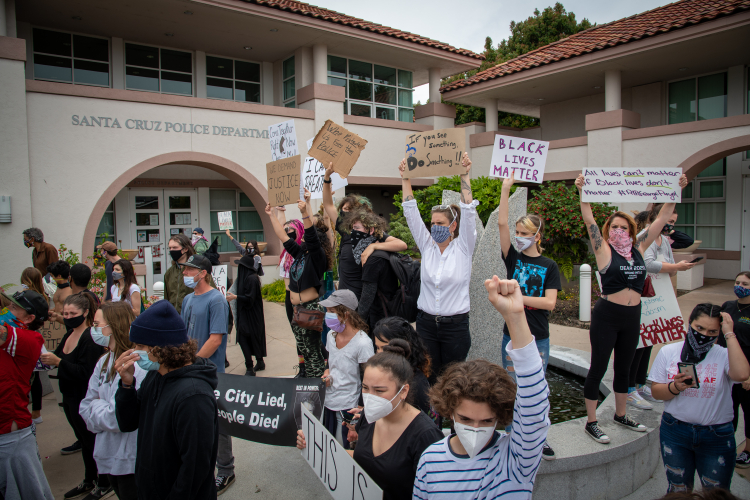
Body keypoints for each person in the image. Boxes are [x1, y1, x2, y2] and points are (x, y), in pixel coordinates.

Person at [575, 172, 688, 444]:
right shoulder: (603, 250)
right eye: (614, 227)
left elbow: (661, 219)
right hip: (607, 316)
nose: (619, 231)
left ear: (631, 230)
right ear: (607, 230)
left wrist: (674, 191)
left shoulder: (639, 247)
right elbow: (589, 219)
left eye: (623, 227)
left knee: (624, 368)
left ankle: (620, 414)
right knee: (599, 367)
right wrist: (582, 192)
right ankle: (592, 421)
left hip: (632, 316)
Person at [413, 276, 550, 499]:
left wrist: (515, 317)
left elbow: (535, 401)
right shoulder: (430, 460)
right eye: (466, 419)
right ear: (449, 412)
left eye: (487, 421)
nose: (475, 429)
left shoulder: (517, 460)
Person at [298, 336, 443, 500]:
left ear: (403, 391)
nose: (370, 397)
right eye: (366, 388)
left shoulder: (425, 437)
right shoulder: (368, 416)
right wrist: (316, 445)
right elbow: (363, 458)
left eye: (379, 390)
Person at [114, 300, 219, 500]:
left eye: (140, 345)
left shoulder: (193, 396)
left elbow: (195, 468)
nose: (134, 351)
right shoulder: (156, 376)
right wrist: (127, 385)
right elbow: (128, 422)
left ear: (159, 348)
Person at [649, 303, 750, 494]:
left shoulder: (723, 354)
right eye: (699, 328)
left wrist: (730, 334)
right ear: (690, 324)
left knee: (717, 494)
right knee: (678, 491)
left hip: (716, 435)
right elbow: (656, 391)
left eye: (712, 331)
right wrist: (674, 387)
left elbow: (742, 374)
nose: (704, 335)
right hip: (675, 432)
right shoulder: (669, 352)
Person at [498, 172, 561, 459]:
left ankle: (538, 437)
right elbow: (501, 223)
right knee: (511, 388)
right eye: (518, 232)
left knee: (536, 390)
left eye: (526, 233)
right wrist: (505, 188)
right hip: (510, 334)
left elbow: (550, 303)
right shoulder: (514, 257)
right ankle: (512, 434)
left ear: (538, 236)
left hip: (539, 337)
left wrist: (518, 298)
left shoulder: (549, 265)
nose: (520, 237)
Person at [399, 153, 477, 383]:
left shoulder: (463, 247)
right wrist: (405, 178)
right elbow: (411, 214)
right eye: (432, 223)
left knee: (453, 380)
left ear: (453, 226)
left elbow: (469, 211)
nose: (434, 227)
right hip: (426, 325)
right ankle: (432, 419)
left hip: (456, 328)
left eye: (440, 223)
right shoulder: (427, 247)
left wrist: (465, 174)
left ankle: (454, 419)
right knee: (428, 377)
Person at [628, 204, 697, 410]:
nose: (670, 226)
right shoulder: (644, 237)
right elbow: (647, 263)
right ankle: (630, 388)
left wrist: (673, 267)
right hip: (642, 296)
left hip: (659, 297)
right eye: (668, 221)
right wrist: (674, 267)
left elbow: (669, 264)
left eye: (673, 223)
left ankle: (641, 383)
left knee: (650, 339)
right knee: (638, 342)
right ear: (656, 218)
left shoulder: (665, 240)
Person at [40, 293, 109, 500]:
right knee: (83, 441)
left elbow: (86, 372)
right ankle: (90, 479)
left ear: (85, 313)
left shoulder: (89, 338)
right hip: (69, 397)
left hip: (82, 397)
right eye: (65, 313)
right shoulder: (69, 334)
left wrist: (59, 363)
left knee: (91, 442)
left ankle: (103, 482)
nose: (68, 317)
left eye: (73, 313)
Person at [178, 254, 234, 495]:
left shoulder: (216, 300)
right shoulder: (187, 299)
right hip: (189, 369)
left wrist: (194, 362)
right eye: (185, 270)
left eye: (190, 270)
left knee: (218, 424)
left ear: (203, 273)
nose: (186, 274)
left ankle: (226, 470)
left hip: (209, 373)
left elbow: (215, 339)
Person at [79, 301, 142, 500]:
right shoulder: (104, 361)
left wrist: (99, 406)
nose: (94, 330)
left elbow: (120, 418)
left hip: (130, 458)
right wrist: (101, 408)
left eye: (97, 325)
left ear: (113, 327)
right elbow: (85, 407)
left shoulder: (137, 364)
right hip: (109, 454)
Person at [265, 189, 327, 378]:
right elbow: (282, 237)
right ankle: (308, 382)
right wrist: (271, 215)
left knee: (313, 352)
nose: (301, 239)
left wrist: (304, 213)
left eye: (307, 239)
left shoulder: (317, 258)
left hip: (309, 308)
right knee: (304, 350)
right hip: (297, 309)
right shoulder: (299, 255)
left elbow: (311, 235)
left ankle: (317, 386)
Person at [322, 163, 407, 300]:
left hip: (363, 299)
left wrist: (374, 246)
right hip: (345, 297)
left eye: (349, 209)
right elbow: (328, 204)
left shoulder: (371, 233)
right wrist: (327, 178)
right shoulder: (345, 230)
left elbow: (401, 245)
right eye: (343, 209)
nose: (345, 213)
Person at [0, 290, 54, 500]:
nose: (6, 310)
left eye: (13, 308)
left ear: (30, 318)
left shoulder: (31, 339)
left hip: (11, 441)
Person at [318, 290, 374, 447]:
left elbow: (368, 378)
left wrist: (360, 412)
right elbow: (330, 362)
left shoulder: (363, 343)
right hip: (328, 402)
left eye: (332, 311)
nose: (327, 315)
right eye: (327, 311)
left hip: (348, 409)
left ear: (346, 314)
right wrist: (327, 372)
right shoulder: (331, 335)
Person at [339, 210, 400, 333]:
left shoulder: (372, 259)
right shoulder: (380, 251)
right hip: (388, 314)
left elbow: (367, 297)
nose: (353, 233)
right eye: (352, 229)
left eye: (356, 228)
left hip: (379, 319)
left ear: (371, 230)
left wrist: (358, 324)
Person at [372, 317, 434, 419]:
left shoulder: (416, 384)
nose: (379, 353)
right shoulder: (390, 372)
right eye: (377, 348)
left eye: (384, 348)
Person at [720, 271, 750, 467]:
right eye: (738, 282)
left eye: (745, 284)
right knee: (728, 410)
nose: (740, 286)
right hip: (727, 370)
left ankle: (747, 450)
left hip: (746, 372)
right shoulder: (728, 307)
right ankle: (726, 445)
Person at [275, 212, 308, 376]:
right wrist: (279, 211)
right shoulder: (285, 253)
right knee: (297, 335)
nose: (288, 232)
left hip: (301, 298)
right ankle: (302, 366)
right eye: (286, 230)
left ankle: (312, 366)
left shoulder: (301, 252)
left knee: (305, 335)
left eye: (291, 229)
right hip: (289, 297)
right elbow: (280, 229)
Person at [20, 267, 49, 423]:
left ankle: (29, 409)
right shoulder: (43, 296)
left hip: (26, 336)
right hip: (37, 335)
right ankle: (36, 411)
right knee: (36, 374)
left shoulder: (26, 297)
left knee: (26, 375)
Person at [234, 240, 266, 375]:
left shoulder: (252, 279)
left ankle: (253, 365)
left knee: (251, 337)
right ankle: (255, 363)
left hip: (252, 314)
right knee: (245, 338)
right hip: (246, 313)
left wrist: (235, 298)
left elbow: (250, 299)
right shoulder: (245, 279)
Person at [165, 234, 215, 314]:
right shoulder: (169, 273)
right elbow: (167, 299)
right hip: (175, 318)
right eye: (170, 248)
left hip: (195, 316)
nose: (171, 250)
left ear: (185, 249)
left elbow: (211, 293)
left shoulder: (198, 270)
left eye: (175, 248)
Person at [48, 260, 73, 325]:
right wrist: (50, 311)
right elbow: (58, 306)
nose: (52, 278)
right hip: (56, 324)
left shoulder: (71, 290)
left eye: (53, 276)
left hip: (66, 323)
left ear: (59, 276)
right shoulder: (58, 289)